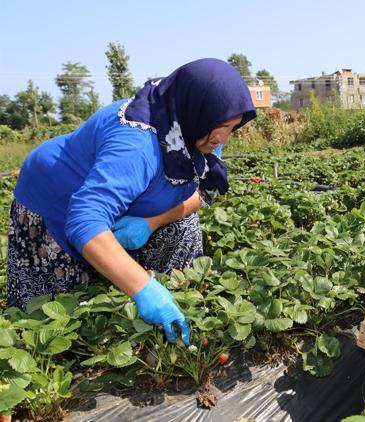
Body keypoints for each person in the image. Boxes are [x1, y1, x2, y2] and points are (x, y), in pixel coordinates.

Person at [7, 58, 256, 345]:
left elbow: (205, 192)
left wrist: (151, 222)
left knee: (183, 227)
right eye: (221, 125)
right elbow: (84, 220)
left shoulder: (199, 128)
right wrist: (143, 289)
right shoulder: (137, 143)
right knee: (59, 318)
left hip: (124, 202)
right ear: (195, 108)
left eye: (233, 126)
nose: (223, 137)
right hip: (56, 198)